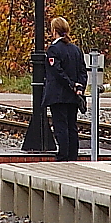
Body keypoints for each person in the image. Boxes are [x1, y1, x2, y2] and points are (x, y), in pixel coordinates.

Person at [42, 16, 87, 161]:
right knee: (72, 126)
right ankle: (73, 155)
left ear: (54, 31)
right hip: (73, 96)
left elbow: (57, 72)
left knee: (61, 126)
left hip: (58, 95)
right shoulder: (76, 50)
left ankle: (63, 156)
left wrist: (70, 85)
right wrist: (79, 87)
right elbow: (82, 71)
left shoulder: (53, 49)